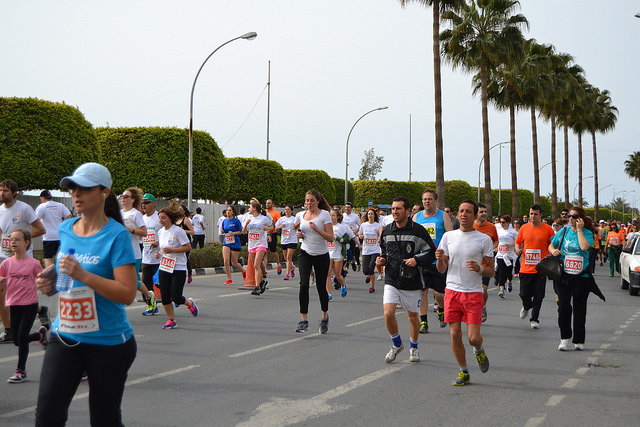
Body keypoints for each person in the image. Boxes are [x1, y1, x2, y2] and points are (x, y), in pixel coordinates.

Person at [34, 162, 137, 426]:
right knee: (47, 416)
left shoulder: (117, 235)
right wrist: (52, 281)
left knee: (104, 420)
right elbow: (66, 274)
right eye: (72, 188)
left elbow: (127, 294)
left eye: (84, 188)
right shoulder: (67, 228)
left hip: (109, 342)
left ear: (104, 192)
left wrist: (85, 275)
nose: (75, 194)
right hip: (65, 334)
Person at [435, 199, 493, 386]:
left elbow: (491, 270)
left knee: (473, 337)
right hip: (452, 291)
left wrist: (479, 269)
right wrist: (439, 259)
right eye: (461, 211)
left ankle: (479, 351)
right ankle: (463, 371)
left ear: (475, 216)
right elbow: (442, 269)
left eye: (468, 211)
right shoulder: (449, 237)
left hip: (473, 293)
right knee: (454, 334)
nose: (463, 214)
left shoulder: (483, 239)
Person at [379, 196, 436, 364]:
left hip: (411, 280)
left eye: (398, 209)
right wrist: (381, 260)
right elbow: (383, 251)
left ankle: (414, 346)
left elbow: (431, 252)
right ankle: (396, 344)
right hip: (392, 278)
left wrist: (416, 260)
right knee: (388, 313)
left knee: (412, 315)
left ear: (407, 211)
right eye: (393, 209)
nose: (395, 212)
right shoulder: (387, 230)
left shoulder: (418, 231)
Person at [0, 179, 47, 343]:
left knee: (21, 290)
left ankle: (40, 309)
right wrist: (4, 240)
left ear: (13, 192)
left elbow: (41, 229)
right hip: (4, 255)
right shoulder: (0, 210)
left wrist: (21, 239)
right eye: (0, 190)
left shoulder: (24, 208)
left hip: (22, 256)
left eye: (5, 190)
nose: (1, 193)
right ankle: (8, 331)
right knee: (2, 290)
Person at [0, 229, 46, 383]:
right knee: (17, 340)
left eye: (17, 239)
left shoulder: (33, 263)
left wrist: (44, 283)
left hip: (30, 304)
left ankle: (21, 371)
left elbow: (41, 279)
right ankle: (40, 335)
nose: (13, 242)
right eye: (12, 239)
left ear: (26, 243)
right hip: (14, 305)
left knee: (21, 337)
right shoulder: (6, 263)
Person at [549, 207, 595, 351]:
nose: (570, 218)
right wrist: (553, 251)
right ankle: (565, 338)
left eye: (574, 216)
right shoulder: (563, 231)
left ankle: (579, 340)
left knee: (579, 307)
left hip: (582, 277)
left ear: (580, 219)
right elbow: (551, 244)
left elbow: (584, 247)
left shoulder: (587, 233)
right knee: (563, 305)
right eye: (569, 215)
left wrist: (580, 230)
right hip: (564, 276)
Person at [413, 189, 452, 333]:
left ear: (436, 201)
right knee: (422, 292)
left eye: (430, 199)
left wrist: (447, 254)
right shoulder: (417, 217)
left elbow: (450, 236)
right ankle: (423, 322)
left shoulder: (443, 216)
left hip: (438, 261)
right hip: (422, 260)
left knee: (439, 294)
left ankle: (441, 310)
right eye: (424, 199)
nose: (427, 201)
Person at [295, 190, 333, 334]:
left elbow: (330, 238)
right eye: (307, 201)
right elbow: (302, 232)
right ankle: (304, 320)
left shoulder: (325, 215)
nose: (309, 203)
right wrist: (300, 235)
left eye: (311, 200)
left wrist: (316, 229)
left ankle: (324, 317)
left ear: (318, 201)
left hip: (321, 254)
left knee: (321, 287)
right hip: (305, 252)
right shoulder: (302, 215)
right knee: (303, 284)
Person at [155, 203, 199, 329]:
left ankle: (189, 303)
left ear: (170, 218)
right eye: (160, 218)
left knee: (176, 297)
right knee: (165, 296)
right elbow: (163, 249)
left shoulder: (178, 231)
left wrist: (173, 250)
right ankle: (172, 319)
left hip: (178, 267)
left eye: (163, 218)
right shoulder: (160, 232)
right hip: (164, 267)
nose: (161, 220)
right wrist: (159, 253)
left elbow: (188, 247)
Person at [515, 204, 555, 329]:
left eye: (535, 214)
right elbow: (518, 242)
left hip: (541, 268)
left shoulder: (548, 229)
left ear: (541, 215)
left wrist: (552, 252)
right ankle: (526, 306)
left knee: (538, 295)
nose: (533, 216)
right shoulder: (524, 228)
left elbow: (552, 244)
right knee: (523, 293)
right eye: (531, 213)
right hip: (525, 268)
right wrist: (517, 250)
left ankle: (534, 319)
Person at [120, 187, 156, 315]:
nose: (123, 198)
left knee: (133, 282)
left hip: (132, 252)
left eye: (126, 196)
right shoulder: (118, 213)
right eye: (122, 196)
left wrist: (130, 230)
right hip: (119, 252)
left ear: (133, 200)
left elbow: (144, 232)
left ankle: (149, 295)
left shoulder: (136, 214)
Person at [326, 208, 360, 300]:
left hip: (338, 253)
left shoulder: (341, 227)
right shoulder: (326, 227)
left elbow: (348, 238)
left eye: (333, 215)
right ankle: (329, 294)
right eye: (330, 215)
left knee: (337, 274)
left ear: (338, 217)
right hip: (328, 253)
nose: (331, 217)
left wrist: (358, 244)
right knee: (328, 274)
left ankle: (343, 285)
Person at [472, 203, 498, 323]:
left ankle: (482, 306)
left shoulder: (491, 227)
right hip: (471, 263)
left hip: (485, 264)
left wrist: (492, 249)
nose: (484, 214)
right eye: (481, 212)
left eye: (485, 212)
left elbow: (496, 241)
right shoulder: (470, 226)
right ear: (476, 214)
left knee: (483, 289)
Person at [243, 199, 274, 296]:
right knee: (257, 264)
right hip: (252, 244)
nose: (248, 209)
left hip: (261, 243)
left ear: (255, 208)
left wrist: (267, 229)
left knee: (256, 265)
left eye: (250, 207)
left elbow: (272, 226)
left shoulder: (263, 218)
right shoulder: (248, 217)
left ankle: (257, 287)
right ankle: (263, 280)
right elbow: (243, 231)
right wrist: (246, 225)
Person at [35, 189, 72, 268]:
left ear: (42, 197)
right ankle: (61, 275)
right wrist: (65, 228)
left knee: (48, 258)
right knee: (61, 257)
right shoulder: (60, 205)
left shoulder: (42, 206)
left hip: (48, 237)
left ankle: (50, 278)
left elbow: (35, 219)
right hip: (60, 236)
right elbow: (69, 216)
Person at [141, 193, 162, 315]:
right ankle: (152, 307)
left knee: (161, 285)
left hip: (159, 258)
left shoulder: (160, 217)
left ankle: (175, 297)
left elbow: (168, 233)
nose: (144, 205)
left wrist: (158, 242)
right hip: (146, 258)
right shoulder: (141, 219)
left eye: (147, 202)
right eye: (142, 203)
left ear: (154, 203)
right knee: (145, 285)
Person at [359, 208, 384, 293]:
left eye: (372, 214)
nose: (370, 215)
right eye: (369, 214)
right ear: (367, 215)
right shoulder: (363, 225)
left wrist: (378, 234)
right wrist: (360, 236)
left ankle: (372, 287)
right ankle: (369, 275)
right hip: (366, 250)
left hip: (375, 250)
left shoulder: (378, 225)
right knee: (365, 271)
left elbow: (382, 236)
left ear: (374, 216)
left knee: (371, 268)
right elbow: (360, 234)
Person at [220, 206, 244, 285]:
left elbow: (241, 232)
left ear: (233, 212)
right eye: (227, 210)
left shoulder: (236, 221)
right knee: (226, 261)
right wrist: (222, 230)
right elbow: (223, 229)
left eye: (230, 210)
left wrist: (233, 233)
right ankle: (229, 279)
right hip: (226, 242)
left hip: (235, 243)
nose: (228, 212)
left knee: (234, 263)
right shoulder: (224, 220)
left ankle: (243, 271)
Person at [496, 215, 518, 298]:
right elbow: (496, 240)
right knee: (501, 272)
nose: (501, 224)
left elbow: (518, 242)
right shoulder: (498, 231)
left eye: (503, 222)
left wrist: (511, 244)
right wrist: (496, 247)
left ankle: (509, 281)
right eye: (500, 222)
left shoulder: (513, 232)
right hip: (501, 255)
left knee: (508, 271)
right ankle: (501, 289)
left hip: (509, 255)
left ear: (508, 223)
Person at [274, 205, 298, 280]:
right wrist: (280, 227)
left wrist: (295, 227)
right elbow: (275, 228)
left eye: (288, 209)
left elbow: (298, 227)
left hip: (292, 240)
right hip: (284, 240)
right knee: (286, 258)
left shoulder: (294, 219)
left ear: (291, 211)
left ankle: (287, 274)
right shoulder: (282, 219)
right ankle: (292, 267)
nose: (286, 211)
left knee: (288, 257)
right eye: (286, 209)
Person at [177, 204, 195, 283]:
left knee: (185, 259)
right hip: (177, 243)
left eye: (180, 209)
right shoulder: (176, 220)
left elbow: (193, 232)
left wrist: (183, 230)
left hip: (186, 242)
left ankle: (189, 273)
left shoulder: (186, 220)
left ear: (184, 211)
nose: (178, 210)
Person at [264, 199, 282, 274]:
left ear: (273, 204)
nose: (267, 204)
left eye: (269, 203)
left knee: (273, 251)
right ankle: (264, 269)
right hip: (264, 233)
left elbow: (279, 222)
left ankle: (278, 264)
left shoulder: (276, 213)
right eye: (267, 203)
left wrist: (275, 228)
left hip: (273, 233)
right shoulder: (263, 212)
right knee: (264, 252)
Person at [343, 202, 362, 272]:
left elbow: (360, 225)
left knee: (352, 253)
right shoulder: (343, 216)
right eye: (346, 207)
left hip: (352, 237)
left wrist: (355, 231)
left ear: (351, 208)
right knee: (345, 252)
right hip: (344, 237)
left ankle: (353, 262)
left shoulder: (355, 217)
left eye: (348, 207)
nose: (347, 208)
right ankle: (346, 267)